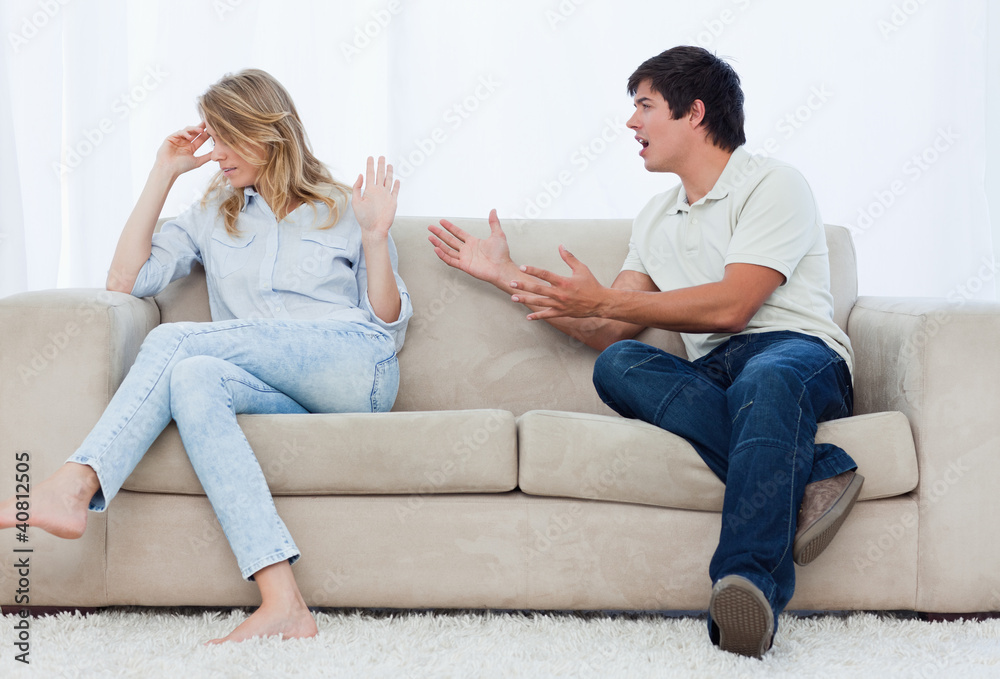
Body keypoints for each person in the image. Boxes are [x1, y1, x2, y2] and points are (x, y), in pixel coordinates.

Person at [428, 46, 862, 659]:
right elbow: (606, 330)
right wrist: (504, 277)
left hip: (796, 354)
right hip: (719, 371)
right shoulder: (656, 218)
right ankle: (818, 470)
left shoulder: (772, 183)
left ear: (695, 113)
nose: (631, 123)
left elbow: (734, 306)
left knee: (763, 382)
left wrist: (605, 300)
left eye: (644, 106)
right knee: (620, 366)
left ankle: (746, 590)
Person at [0, 69, 412, 643]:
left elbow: (387, 326)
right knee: (193, 377)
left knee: (176, 341)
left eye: (226, 137)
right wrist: (162, 174)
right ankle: (282, 603)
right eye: (211, 138)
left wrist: (373, 238)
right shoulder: (212, 216)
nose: (215, 153)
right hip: (278, 392)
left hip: (355, 369)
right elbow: (125, 281)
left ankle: (75, 484)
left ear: (265, 132)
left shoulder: (346, 206)